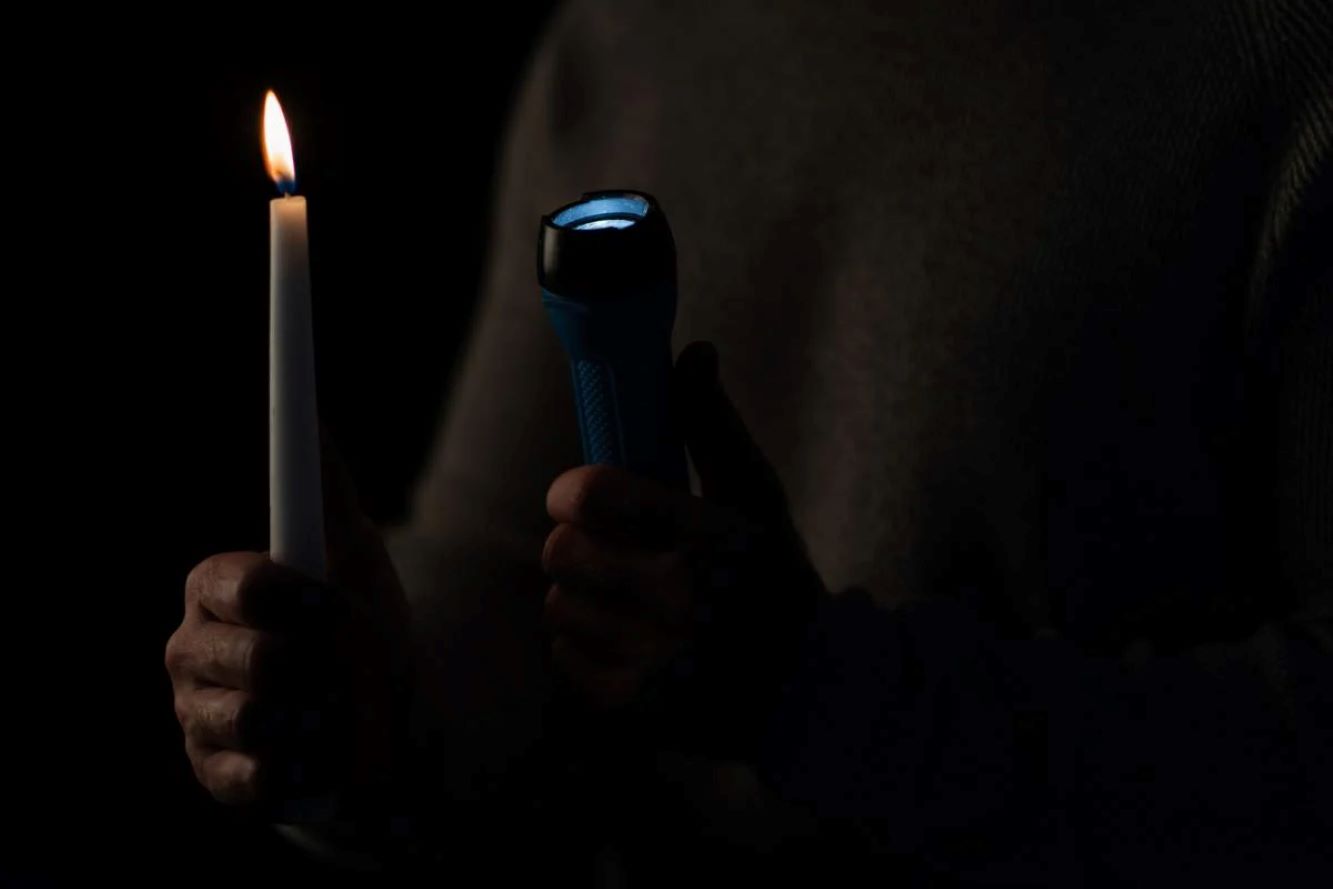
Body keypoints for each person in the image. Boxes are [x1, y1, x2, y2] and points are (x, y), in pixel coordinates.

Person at [165, 0, 1331, 883]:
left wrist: (825, 695)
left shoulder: (1277, 58)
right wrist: (368, 720)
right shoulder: (626, 35)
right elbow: (497, 571)